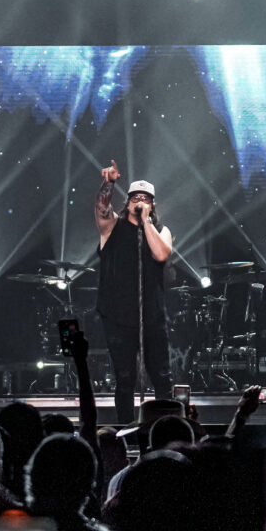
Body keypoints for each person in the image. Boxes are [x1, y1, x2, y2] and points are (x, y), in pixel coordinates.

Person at [92, 160, 175, 422]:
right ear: (127, 201)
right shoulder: (112, 226)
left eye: (145, 198)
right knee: (125, 378)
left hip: (152, 315)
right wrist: (109, 183)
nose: (139, 200)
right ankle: (126, 431)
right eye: (135, 197)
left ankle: (165, 429)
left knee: (162, 377)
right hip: (117, 317)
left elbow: (161, 254)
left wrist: (146, 222)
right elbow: (101, 208)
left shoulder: (161, 230)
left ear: (152, 204)